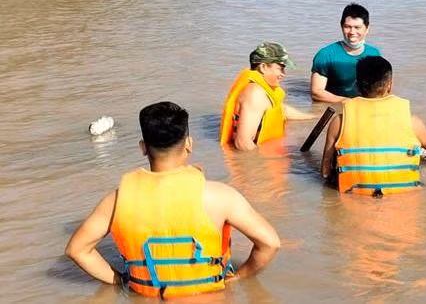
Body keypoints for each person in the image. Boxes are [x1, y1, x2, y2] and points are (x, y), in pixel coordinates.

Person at [65, 102, 281, 299]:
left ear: (142, 147)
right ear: (189, 143)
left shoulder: (116, 200)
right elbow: (270, 244)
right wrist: (240, 276)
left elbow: (77, 250)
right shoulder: (220, 196)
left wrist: (121, 280)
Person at [321, 56, 426, 196]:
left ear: (357, 85)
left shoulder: (338, 123)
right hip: (403, 201)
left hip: (355, 198)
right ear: (390, 84)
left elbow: (325, 171)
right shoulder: (412, 122)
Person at [220, 41, 316, 151]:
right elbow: (243, 142)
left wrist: (312, 117)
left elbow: (281, 110)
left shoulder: (264, 89)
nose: (283, 74)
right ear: (263, 67)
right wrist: (261, 165)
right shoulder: (255, 93)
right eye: (280, 68)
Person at [310, 3, 381, 103]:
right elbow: (316, 92)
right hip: (336, 105)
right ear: (341, 26)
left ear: (367, 28)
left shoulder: (374, 54)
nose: (352, 32)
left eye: (357, 27)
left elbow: (381, 88)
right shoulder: (325, 55)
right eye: (347, 27)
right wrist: (349, 102)